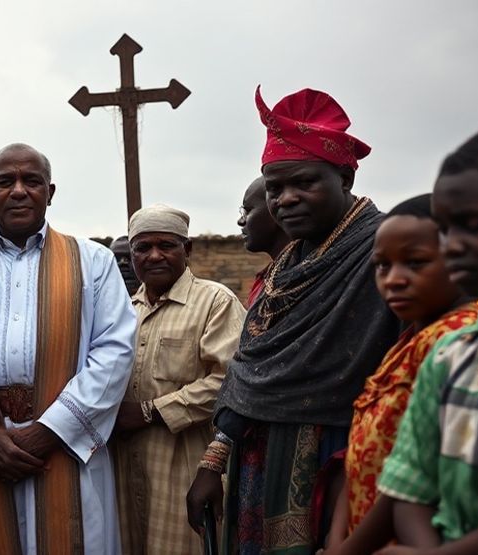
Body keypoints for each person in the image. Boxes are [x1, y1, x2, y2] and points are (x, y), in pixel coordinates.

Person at [187, 86, 401, 555]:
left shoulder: (385, 252)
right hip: (259, 459)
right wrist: (214, 460)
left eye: (304, 183)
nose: (286, 199)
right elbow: (249, 366)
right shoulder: (288, 266)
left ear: (344, 178)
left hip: (340, 459)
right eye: (274, 189)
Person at [0, 142, 137, 554]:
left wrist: (50, 431)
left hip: (65, 447)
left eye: (31, 181)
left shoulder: (93, 261)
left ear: (50, 191)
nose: (18, 191)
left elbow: (115, 351)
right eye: (4, 182)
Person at [375, 122, 478, 554]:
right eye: (446, 229)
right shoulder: (454, 351)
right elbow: (410, 485)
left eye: (473, 224)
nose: (451, 246)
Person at [322, 194, 478, 554]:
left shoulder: (457, 339)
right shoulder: (410, 341)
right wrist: (338, 536)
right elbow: (365, 444)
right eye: (382, 266)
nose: (394, 280)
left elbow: (414, 472)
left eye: (416, 263)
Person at [112, 204, 246, 554]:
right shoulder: (126, 310)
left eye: (166, 245)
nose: (154, 256)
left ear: (187, 250)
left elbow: (230, 381)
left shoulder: (215, 301)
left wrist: (148, 411)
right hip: (125, 469)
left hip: (188, 466)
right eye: (143, 247)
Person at [238, 176, 288, 305]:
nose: (241, 221)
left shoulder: (300, 281)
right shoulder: (267, 281)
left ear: (275, 210)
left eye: (247, 211)